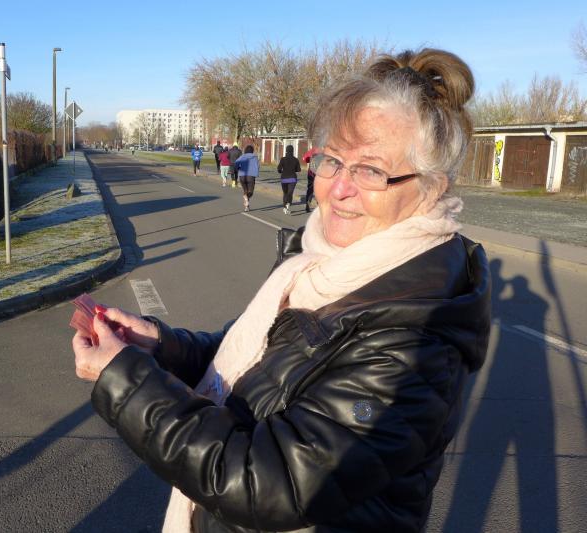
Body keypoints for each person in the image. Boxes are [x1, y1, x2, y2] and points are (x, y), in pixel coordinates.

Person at [72, 47, 490, 532]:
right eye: (332, 160)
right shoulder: (318, 262)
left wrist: (126, 381)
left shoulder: (418, 339)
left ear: (432, 187)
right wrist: (160, 347)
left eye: (371, 170)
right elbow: (258, 363)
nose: (338, 188)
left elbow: (268, 482)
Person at [277, 144, 301, 214]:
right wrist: (293, 169)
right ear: (293, 151)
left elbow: (279, 168)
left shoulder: (283, 159)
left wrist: (281, 171)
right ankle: (288, 204)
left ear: (286, 151)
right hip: (292, 179)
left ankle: (285, 207)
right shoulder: (296, 159)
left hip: (284, 178)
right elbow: (299, 170)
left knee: (285, 193)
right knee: (290, 193)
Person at [234, 145, 259, 212]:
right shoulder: (255, 157)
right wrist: (256, 173)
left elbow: (236, 163)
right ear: (252, 150)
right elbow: (258, 166)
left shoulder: (242, 157)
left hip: (242, 176)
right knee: (250, 192)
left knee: (245, 191)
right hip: (251, 176)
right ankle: (246, 198)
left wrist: (237, 168)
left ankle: (246, 207)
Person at [302, 145, 319, 212]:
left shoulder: (312, 151)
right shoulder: (324, 152)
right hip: (319, 175)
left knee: (310, 190)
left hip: (310, 174)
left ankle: (308, 204)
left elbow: (305, 159)